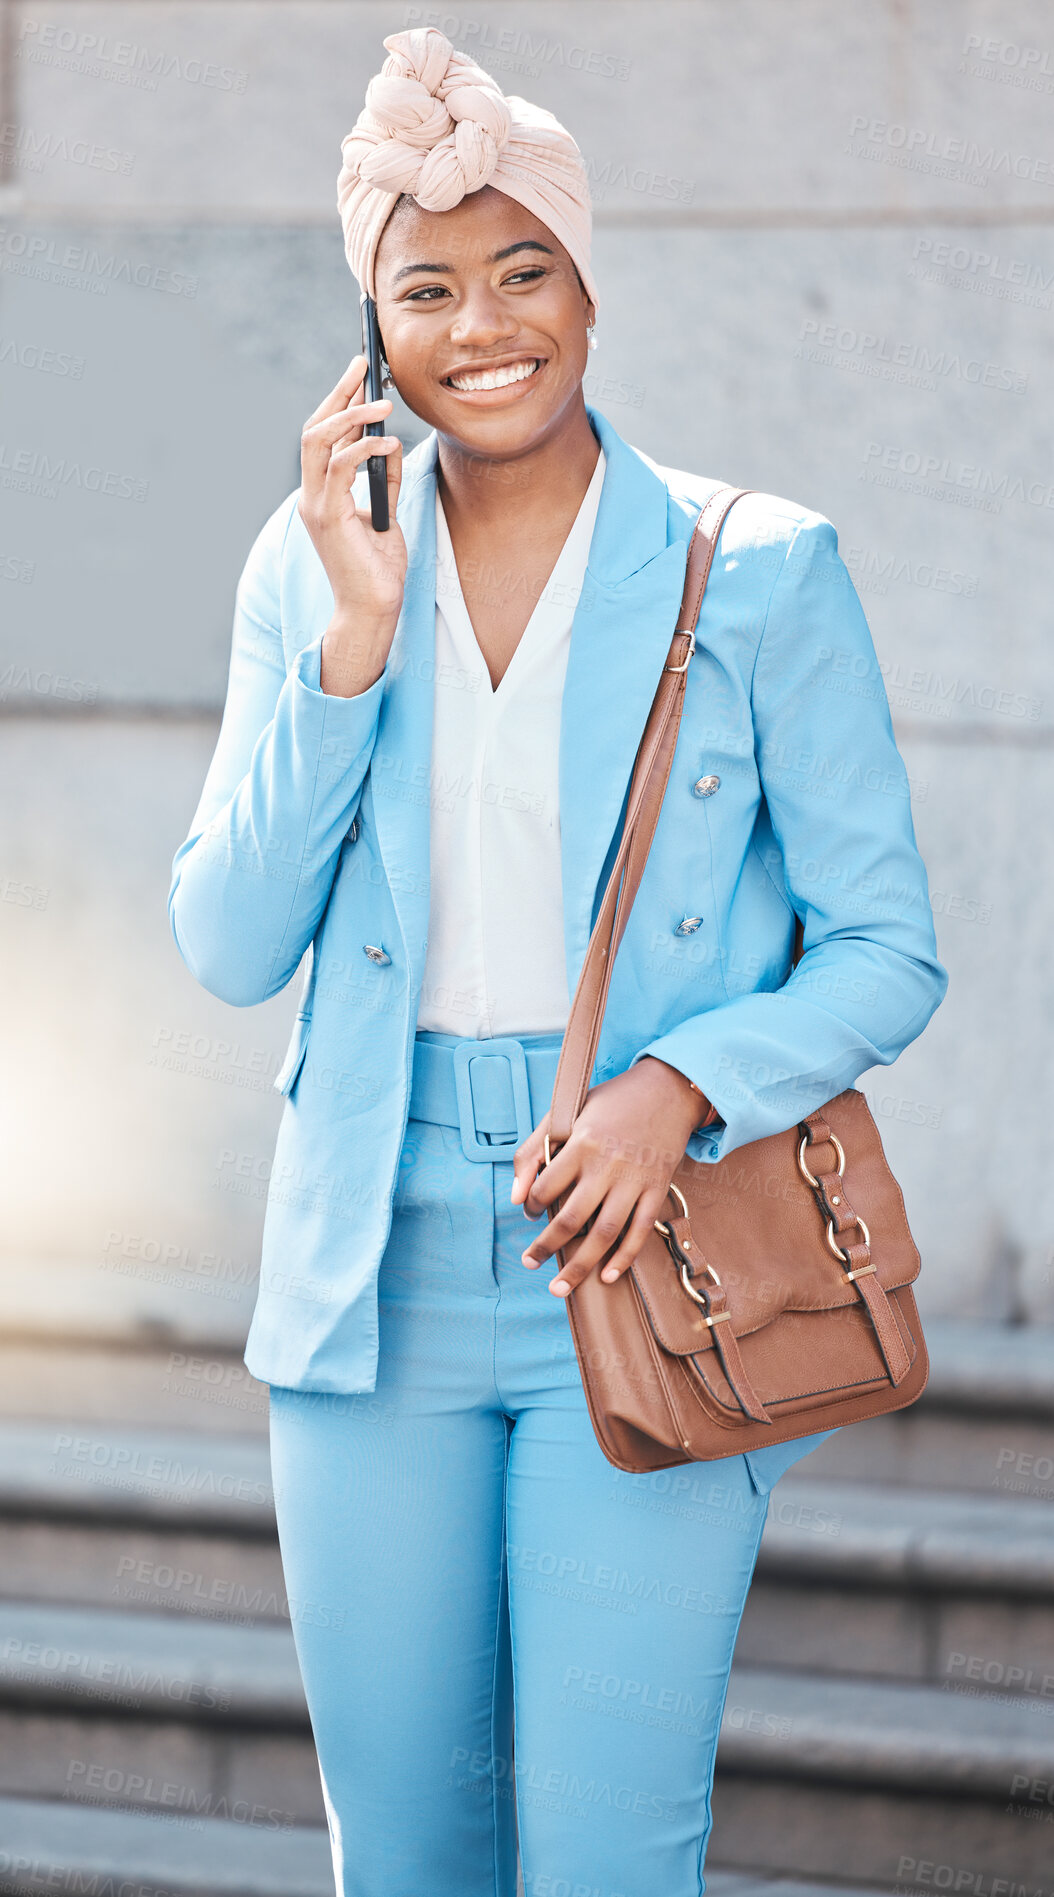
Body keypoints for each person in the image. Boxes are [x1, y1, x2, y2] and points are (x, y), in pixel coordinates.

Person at [168, 27, 948, 1897]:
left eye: (524, 270)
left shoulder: (752, 569)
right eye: (425, 287)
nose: (483, 323)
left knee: (607, 1851)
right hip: (372, 1267)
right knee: (411, 1854)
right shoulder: (314, 566)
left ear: (589, 287)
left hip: (648, 1240)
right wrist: (351, 647)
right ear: (375, 332)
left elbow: (885, 947)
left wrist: (680, 1085)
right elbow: (227, 936)